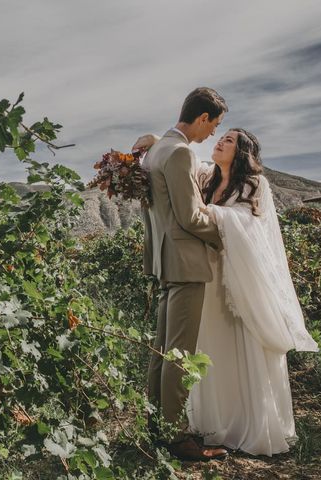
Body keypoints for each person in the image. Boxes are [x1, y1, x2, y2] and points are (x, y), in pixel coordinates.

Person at [135, 128, 319, 457]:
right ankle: (214, 421)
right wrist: (154, 141)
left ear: (243, 152)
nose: (220, 141)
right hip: (207, 273)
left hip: (238, 279)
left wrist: (216, 213)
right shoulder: (206, 176)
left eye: (230, 140)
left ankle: (243, 424)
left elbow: (252, 226)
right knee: (211, 347)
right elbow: (178, 162)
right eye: (222, 137)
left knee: (239, 344)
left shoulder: (254, 184)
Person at [138, 87, 229, 461]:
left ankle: (155, 426)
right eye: (214, 126)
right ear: (202, 117)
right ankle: (176, 437)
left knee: (161, 350)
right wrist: (227, 235)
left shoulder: (155, 151)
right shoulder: (179, 152)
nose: (212, 135)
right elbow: (190, 216)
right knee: (179, 352)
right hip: (186, 262)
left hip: (165, 260)